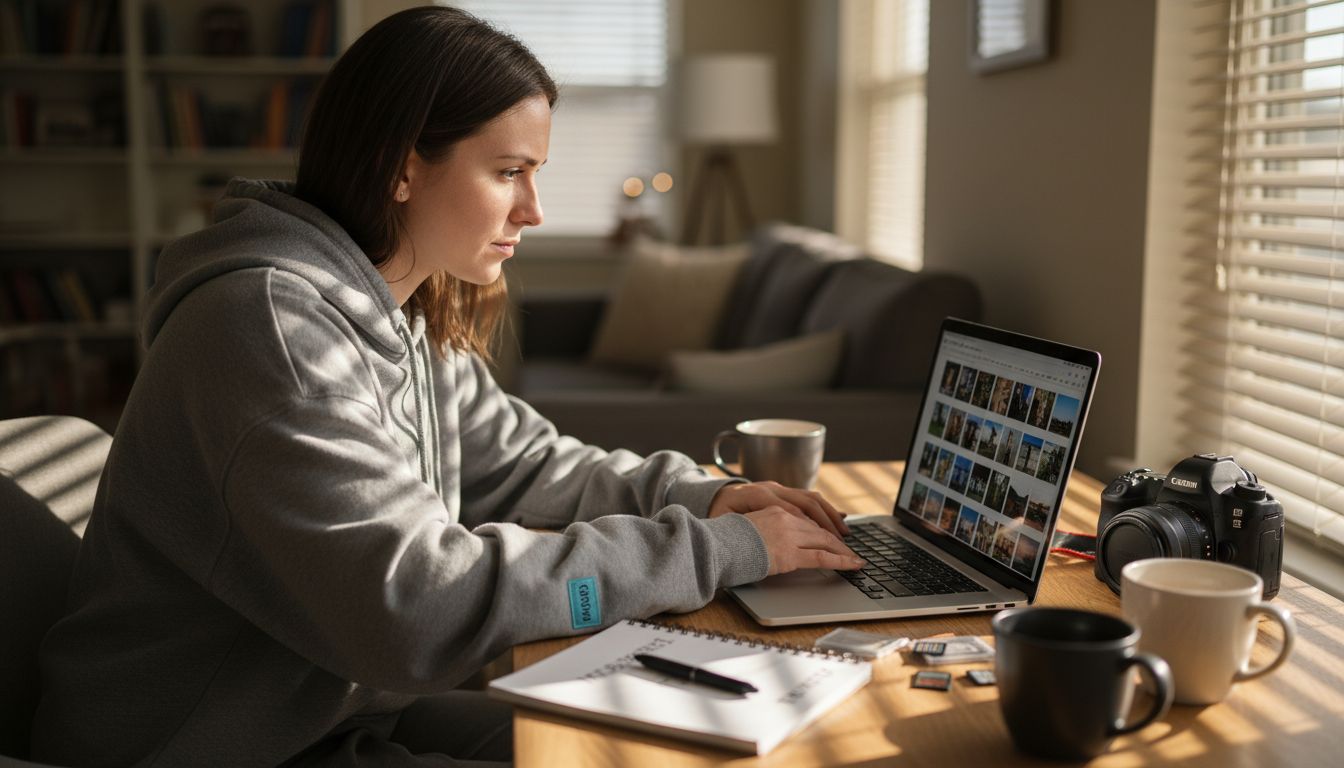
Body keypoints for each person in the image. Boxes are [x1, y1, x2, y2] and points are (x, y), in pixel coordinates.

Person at [30, 7, 862, 767]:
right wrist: (717, 553)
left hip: (329, 708)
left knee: (663, 746)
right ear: (402, 168)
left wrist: (705, 497)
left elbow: (528, 466)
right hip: (205, 747)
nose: (533, 209)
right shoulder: (271, 332)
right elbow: (418, 609)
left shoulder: (399, 306)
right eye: (509, 171)